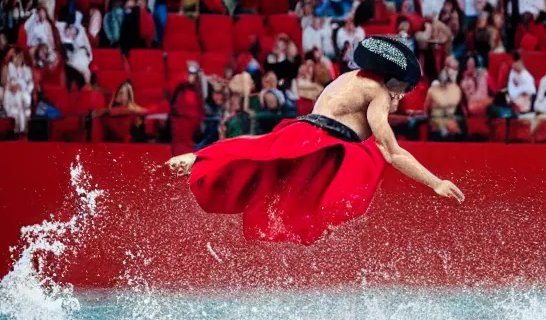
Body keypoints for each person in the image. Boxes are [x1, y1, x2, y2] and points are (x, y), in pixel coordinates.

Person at [166, 35, 464, 245]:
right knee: (371, 158)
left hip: (310, 132)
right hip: (325, 140)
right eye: (401, 88)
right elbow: (393, 152)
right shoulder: (378, 93)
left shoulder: (350, 78)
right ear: (393, 79)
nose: (400, 95)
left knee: (260, 151)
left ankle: (199, 158)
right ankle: (199, 158)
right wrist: (435, 182)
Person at [3, 49, 33, 135]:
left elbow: (30, 84)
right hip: (11, 94)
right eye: (15, 57)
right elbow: (9, 84)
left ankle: (25, 129)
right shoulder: (9, 68)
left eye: (20, 57)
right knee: (17, 101)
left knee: (25, 101)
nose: (18, 60)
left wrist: (25, 89)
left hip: (24, 93)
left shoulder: (27, 69)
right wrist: (15, 86)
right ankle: (16, 129)